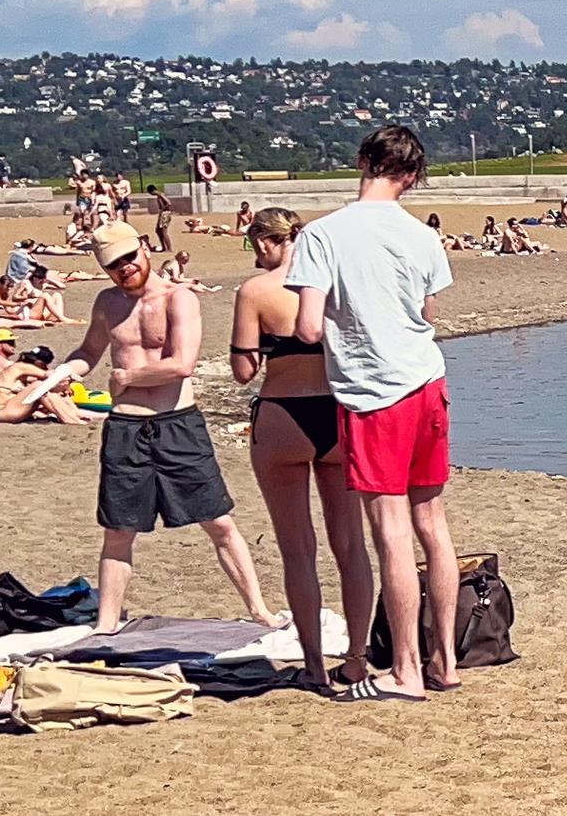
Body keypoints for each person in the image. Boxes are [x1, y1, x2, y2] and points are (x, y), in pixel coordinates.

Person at [285, 126, 460, 702]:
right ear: (411, 176)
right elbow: (427, 310)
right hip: (426, 382)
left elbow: (308, 326)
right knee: (432, 526)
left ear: (363, 162)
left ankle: (408, 669)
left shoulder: (323, 235)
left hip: (373, 393)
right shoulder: (422, 235)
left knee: (390, 536)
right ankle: (445, 659)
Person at [42, 223, 274, 633]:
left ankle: (259, 609)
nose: (125, 268)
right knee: (118, 530)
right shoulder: (107, 302)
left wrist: (128, 378)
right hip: (127, 428)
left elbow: (181, 364)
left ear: (144, 249)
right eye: (114, 264)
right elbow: (90, 351)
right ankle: (106, 623)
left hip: (177, 423)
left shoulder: (177, 298)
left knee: (218, 522)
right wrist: (64, 371)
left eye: (129, 257)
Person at [231, 208, 376, 694]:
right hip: (336, 412)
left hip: (283, 415)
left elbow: (243, 371)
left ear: (267, 242)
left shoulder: (255, 292)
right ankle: (356, 657)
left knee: (299, 550)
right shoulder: (333, 284)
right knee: (351, 546)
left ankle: (314, 664)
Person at [0, 331, 95, 424]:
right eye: (10, 343)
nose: (14, 346)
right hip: (0, 411)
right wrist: (68, 376)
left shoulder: (15, 368)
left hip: (10, 406)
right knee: (40, 387)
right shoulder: (15, 367)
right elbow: (48, 376)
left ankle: (73, 415)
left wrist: (62, 386)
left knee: (45, 388)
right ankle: (69, 418)